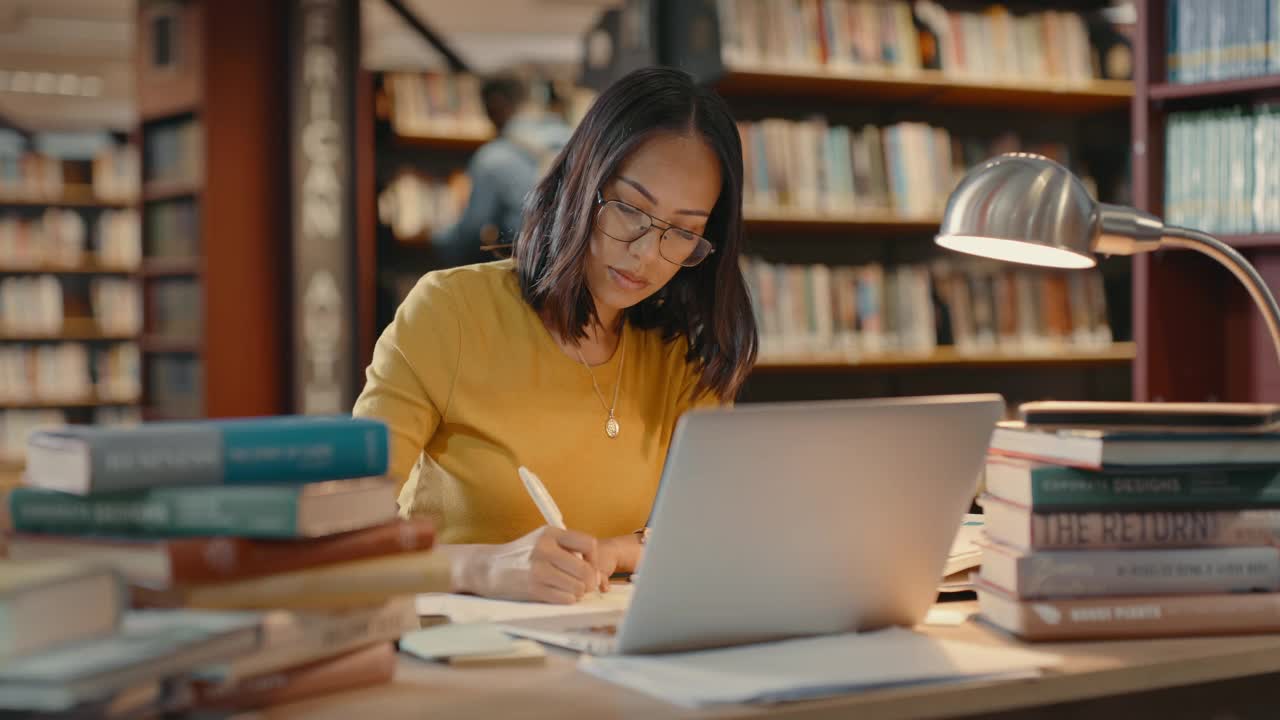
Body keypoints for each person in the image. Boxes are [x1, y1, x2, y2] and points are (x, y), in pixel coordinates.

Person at [353, 67, 758, 604]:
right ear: (581, 180)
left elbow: (708, 531)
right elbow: (346, 535)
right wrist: (482, 566)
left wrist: (615, 553)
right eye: (632, 210)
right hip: (458, 649)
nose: (645, 253)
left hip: (604, 651)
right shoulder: (450, 311)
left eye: (682, 232)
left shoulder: (685, 354)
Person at [430, 72, 572, 266]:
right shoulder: (575, 139)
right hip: (576, 266)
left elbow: (470, 232)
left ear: (495, 104)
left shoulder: (493, 158)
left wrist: (438, 240)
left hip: (530, 270)